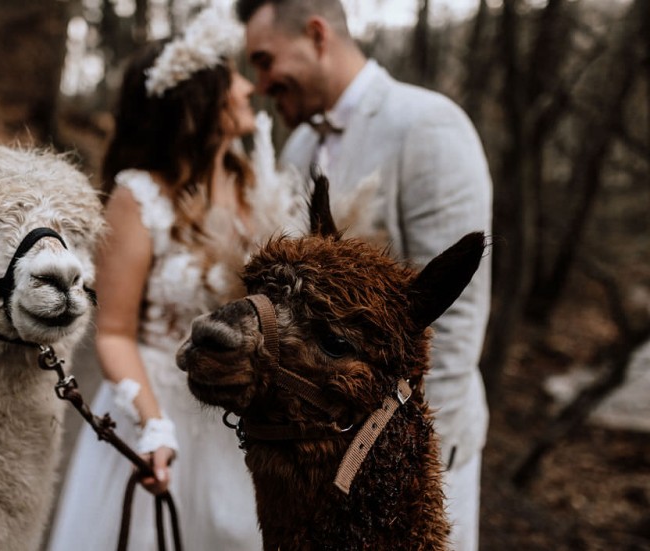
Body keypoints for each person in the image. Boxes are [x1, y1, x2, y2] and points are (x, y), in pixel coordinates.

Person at [235, 1, 493, 549]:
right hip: (310, 447)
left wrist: (416, 461)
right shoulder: (301, 143)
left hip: (402, 455)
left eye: (264, 60)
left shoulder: (430, 126)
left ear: (316, 33)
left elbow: (455, 316)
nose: (259, 84)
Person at [47, 7, 302, 550]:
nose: (245, 87)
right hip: (159, 405)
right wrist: (152, 423)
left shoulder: (258, 184)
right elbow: (114, 333)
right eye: (230, 75)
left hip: (240, 414)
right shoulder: (138, 197)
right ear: (198, 101)